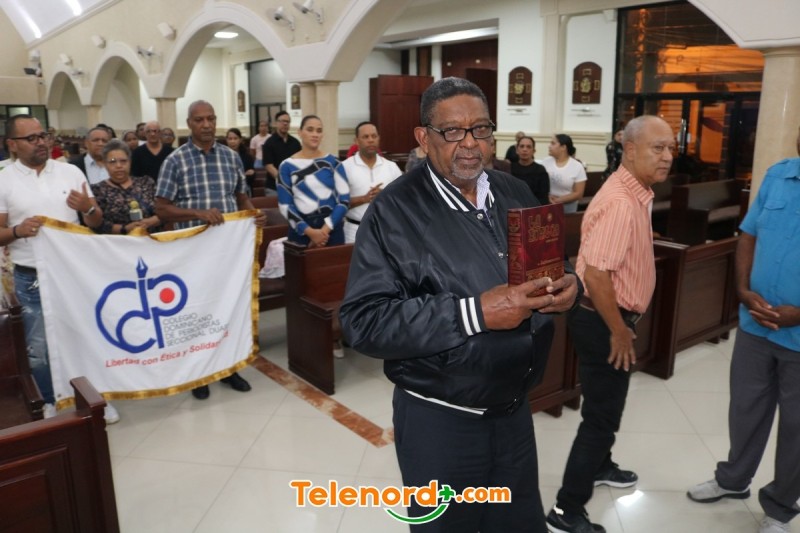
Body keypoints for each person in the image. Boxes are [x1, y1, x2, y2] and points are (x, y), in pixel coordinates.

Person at [340, 77, 581, 533]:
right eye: (452, 131)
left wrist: (571, 285)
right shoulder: (394, 211)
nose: (470, 143)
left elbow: (553, 264)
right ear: (423, 137)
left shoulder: (514, 191)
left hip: (513, 410)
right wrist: (473, 314)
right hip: (440, 421)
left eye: (481, 129)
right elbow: (363, 322)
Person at [546, 116, 675, 533]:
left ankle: (600, 466)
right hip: (603, 320)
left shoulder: (635, 191)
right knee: (602, 418)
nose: (667, 156)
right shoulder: (622, 201)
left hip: (606, 316)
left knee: (604, 406)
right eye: (658, 148)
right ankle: (567, 509)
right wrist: (619, 330)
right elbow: (598, 275)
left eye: (671, 148)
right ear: (630, 150)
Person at [686, 126, 800, 533]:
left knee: (796, 427)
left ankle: (780, 506)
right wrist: (743, 290)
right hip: (755, 324)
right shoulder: (779, 174)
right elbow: (748, 235)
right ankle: (733, 480)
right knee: (745, 409)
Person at [0, 114, 117, 423]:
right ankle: (49, 401)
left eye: (43, 136)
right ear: (12, 144)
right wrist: (17, 231)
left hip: (74, 272)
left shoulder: (69, 172)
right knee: (39, 347)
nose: (41, 142)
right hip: (32, 276)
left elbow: (95, 220)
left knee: (86, 336)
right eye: (32, 138)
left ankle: (97, 399)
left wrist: (87, 208)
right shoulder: (4, 179)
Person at [155, 100, 266, 400]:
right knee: (196, 313)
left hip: (227, 252)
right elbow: (161, 208)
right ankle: (198, 374)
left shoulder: (231, 157)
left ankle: (228, 368)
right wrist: (199, 213)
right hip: (192, 253)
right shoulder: (175, 161)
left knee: (226, 309)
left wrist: (253, 213)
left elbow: (241, 198)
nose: (206, 125)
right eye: (199, 120)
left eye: (211, 118)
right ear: (189, 124)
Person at [277, 115, 349, 247]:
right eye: (310, 130)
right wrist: (310, 232)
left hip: (332, 229)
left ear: (322, 135)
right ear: (300, 132)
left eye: (319, 131)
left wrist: (324, 231)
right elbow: (285, 205)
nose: (315, 134)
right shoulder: (286, 166)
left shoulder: (334, 162)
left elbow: (344, 200)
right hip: (300, 230)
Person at [335, 121, 401, 243]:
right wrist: (365, 198)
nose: (371, 140)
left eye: (374, 136)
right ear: (356, 141)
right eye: (365, 137)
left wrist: (384, 196)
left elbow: (402, 200)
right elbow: (336, 203)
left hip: (386, 231)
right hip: (354, 231)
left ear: (378, 138)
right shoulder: (344, 167)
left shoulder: (391, 167)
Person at [92, 139, 160, 235]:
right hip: (118, 242)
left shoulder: (146, 183)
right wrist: (124, 229)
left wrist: (151, 221)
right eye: (112, 162)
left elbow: (164, 212)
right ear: (105, 164)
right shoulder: (97, 190)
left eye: (123, 161)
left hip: (151, 239)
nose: (118, 166)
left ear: (130, 162)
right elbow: (97, 224)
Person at [542, 134, 587, 213]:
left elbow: (579, 193)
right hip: (547, 204)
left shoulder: (577, 166)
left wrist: (558, 200)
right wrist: (547, 197)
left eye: (553, 143)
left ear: (563, 147)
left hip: (568, 208)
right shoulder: (545, 162)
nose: (549, 146)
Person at [262, 111, 300, 192]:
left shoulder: (295, 142)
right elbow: (269, 166)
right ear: (276, 123)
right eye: (282, 121)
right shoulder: (269, 143)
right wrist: (284, 180)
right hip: (274, 187)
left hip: (294, 186)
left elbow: (299, 163)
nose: (285, 124)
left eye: (287, 122)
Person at [510, 135, 550, 206]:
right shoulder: (510, 168)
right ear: (517, 150)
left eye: (528, 147)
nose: (524, 149)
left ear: (533, 151)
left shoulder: (540, 170)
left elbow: (543, 198)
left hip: (534, 208)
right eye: (522, 146)